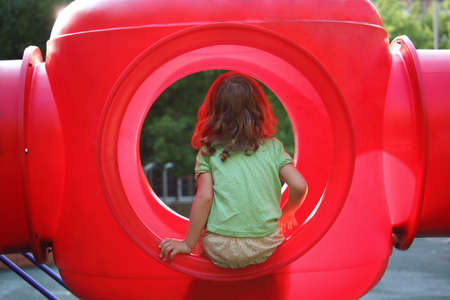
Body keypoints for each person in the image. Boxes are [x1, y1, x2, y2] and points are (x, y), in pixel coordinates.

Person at [159, 71, 308, 268]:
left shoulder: (208, 150)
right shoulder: (272, 147)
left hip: (220, 248)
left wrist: (188, 244)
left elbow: (204, 198)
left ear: (214, 111)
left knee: (208, 250)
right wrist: (288, 211)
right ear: (260, 110)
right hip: (265, 246)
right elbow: (299, 185)